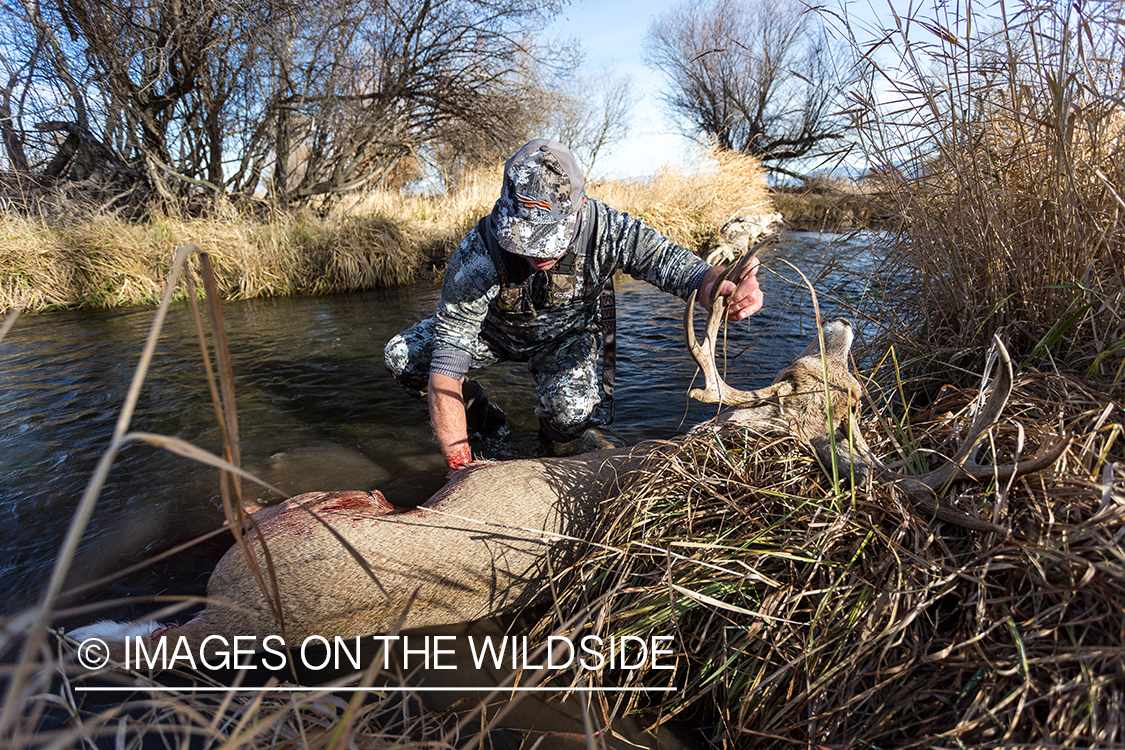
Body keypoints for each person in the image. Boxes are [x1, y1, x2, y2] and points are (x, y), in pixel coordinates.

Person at [384, 139, 763, 472]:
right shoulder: (476, 255)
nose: (537, 253)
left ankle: (547, 441)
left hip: (566, 338)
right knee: (403, 357)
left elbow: (685, 272)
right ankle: (485, 420)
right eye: (524, 240)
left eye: (549, 237)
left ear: (580, 205)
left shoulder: (609, 229)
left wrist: (725, 289)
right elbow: (446, 365)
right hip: (490, 335)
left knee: (571, 416)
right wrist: (458, 469)